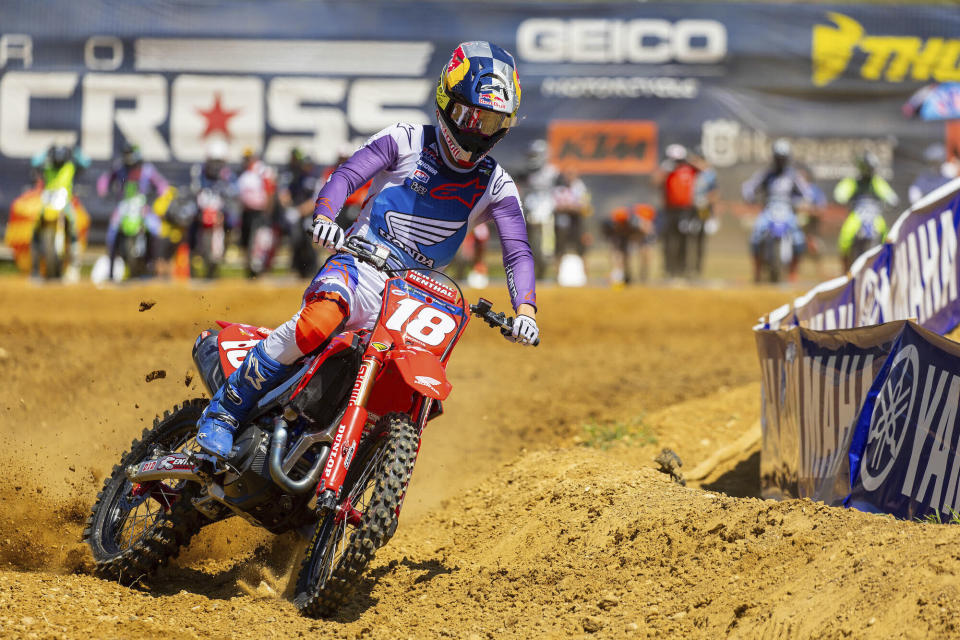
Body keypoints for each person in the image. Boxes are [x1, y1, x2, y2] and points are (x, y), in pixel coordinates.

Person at [195, 41, 540, 458]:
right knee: (317, 323)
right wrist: (325, 215)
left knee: (411, 394)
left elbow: (517, 250)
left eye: (491, 122)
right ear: (447, 102)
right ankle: (224, 413)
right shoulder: (406, 139)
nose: (477, 132)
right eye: (472, 116)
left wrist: (525, 311)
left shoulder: (497, 183)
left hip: (415, 296)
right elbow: (346, 175)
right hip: (361, 264)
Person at [97, 143, 172, 279]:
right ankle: (112, 269)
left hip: (142, 206)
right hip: (123, 206)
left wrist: (163, 193)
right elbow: (105, 179)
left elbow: (161, 184)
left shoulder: (147, 170)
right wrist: (103, 190)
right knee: (112, 232)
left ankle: (154, 263)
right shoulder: (119, 169)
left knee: (155, 228)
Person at [741, 139, 812, 282]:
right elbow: (749, 187)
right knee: (756, 236)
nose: (780, 162)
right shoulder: (766, 174)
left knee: (799, 239)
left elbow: (806, 193)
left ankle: (793, 272)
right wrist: (750, 197)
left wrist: (801, 202)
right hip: (768, 210)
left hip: (788, 211)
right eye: (778, 158)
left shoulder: (793, 175)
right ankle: (757, 271)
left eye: (783, 159)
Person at [30, 144, 89, 279]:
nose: (58, 162)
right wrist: (46, 151)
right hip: (48, 204)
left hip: (65, 204)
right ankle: (35, 269)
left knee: (73, 229)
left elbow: (86, 163)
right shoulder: (47, 167)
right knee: (35, 231)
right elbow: (34, 162)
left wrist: (76, 152)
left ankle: (74, 266)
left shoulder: (69, 167)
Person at [835, 151, 899, 271]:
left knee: (886, 234)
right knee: (846, 235)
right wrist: (843, 198)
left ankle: (886, 264)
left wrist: (891, 201)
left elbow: (890, 195)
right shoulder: (853, 182)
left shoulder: (877, 182)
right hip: (858, 214)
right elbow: (841, 193)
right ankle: (845, 267)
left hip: (874, 215)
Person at [516, 139, 560, 279]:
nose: (532, 158)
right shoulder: (527, 172)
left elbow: (561, 189)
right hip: (532, 204)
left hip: (548, 205)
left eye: (534, 155)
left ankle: (550, 251)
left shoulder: (553, 172)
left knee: (559, 224)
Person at [653, 144, 698, 279]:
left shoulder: (689, 169)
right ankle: (669, 269)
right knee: (668, 240)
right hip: (669, 210)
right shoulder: (666, 171)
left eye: (678, 160)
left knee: (683, 239)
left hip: (686, 210)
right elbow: (654, 182)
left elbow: (706, 169)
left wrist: (689, 160)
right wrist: (665, 169)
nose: (676, 163)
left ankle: (682, 269)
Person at [278, 148, 321, 278]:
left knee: (309, 242)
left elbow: (315, 200)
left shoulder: (315, 179)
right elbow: (286, 194)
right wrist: (290, 208)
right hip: (297, 215)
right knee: (296, 240)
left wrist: (299, 211)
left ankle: (312, 269)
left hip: (310, 216)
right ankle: (297, 268)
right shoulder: (297, 178)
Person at [237, 148, 277, 277]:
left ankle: (258, 269)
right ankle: (249, 268)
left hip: (259, 211)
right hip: (247, 211)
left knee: (259, 240)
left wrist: (268, 211)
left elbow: (270, 191)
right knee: (246, 239)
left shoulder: (262, 171)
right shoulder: (244, 173)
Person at [690, 148, 718, 278]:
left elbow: (714, 193)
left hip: (703, 208)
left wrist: (713, 214)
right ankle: (687, 266)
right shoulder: (690, 172)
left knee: (701, 238)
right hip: (689, 208)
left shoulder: (710, 174)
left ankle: (697, 268)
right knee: (688, 237)